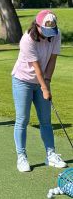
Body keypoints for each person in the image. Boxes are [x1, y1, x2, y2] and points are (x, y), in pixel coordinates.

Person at [12, 10, 67, 172]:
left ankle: (51, 154)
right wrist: (44, 88)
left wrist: (47, 82)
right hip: (23, 81)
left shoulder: (55, 35)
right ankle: (21, 157)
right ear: (37, 26)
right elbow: (36, 68)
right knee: (23, 119)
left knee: (46, 120)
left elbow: (52, 60)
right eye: (46, 30)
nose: (49, 35)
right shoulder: (27, 39)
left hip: (42, 80)